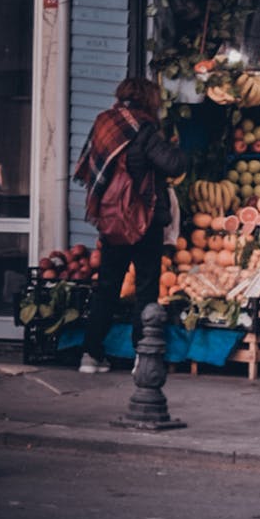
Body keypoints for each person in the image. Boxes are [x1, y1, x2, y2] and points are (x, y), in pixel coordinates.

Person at [75, 77, 189, 374]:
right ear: (150, 100)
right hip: (143, 219)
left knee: (107, 287)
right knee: (147, 287)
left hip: (111, 217)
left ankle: (90, 354)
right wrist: (176, 147)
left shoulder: (104, 123)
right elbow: (173, 164)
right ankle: (144, 355)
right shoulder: (144, 129)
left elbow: (93, 166)